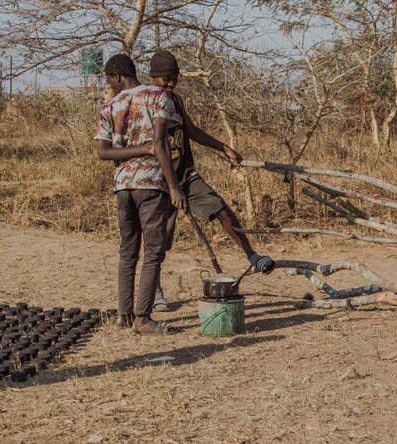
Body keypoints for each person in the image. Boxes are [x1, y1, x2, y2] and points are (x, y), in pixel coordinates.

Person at [146, 50, 275, 281]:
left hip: (185, 175)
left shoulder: (175, 100)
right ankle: (155, 289)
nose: (171, 84)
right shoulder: (145, 103)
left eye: (175, 78)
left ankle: (252, 256)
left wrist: (223, 147)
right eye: (167, 79)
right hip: (159, 181)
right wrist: (169, 185)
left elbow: (191, 130)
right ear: (153, 77)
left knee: (221, 209)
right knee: (159, 239)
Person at [94, 54, 181, 334]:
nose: (109, 84)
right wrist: (173, 186)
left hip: (122, 187)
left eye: (109, 79)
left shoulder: (109, 106)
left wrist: (138, 151)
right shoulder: (158, 96)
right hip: (150, 184)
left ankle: (125, 315)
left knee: (128, 250)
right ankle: (143, 318)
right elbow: (159, 144)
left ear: (118, 76)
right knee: (154, 250)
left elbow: (104, 152)